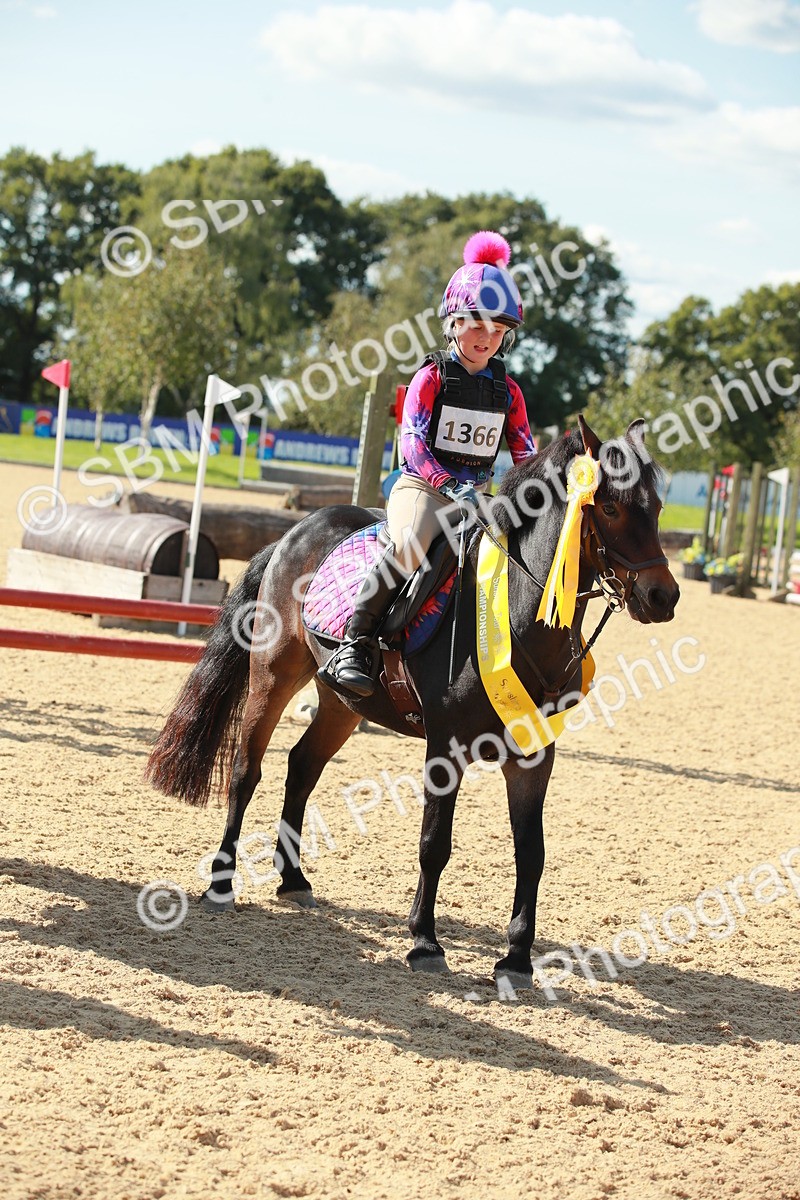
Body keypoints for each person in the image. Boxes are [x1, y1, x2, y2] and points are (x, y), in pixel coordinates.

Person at [322, 230, 537, 698]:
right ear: (454, 322)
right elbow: (413, 446)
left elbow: (525, 455)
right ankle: (354, 643)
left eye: (499, 331)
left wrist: (541, 491)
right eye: (478, 326)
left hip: (479, 497)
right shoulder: (431, 377)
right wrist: (448, 483)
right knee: (409, 548)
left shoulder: (511, 392)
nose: (488, 339)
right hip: (423, 488)